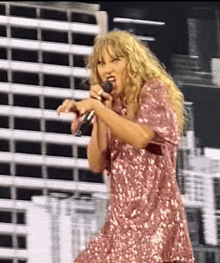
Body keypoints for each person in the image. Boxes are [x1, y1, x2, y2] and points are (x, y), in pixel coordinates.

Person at [56, 30, 195, 263]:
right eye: (101, 63)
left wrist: (99, 109)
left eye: (115, 60)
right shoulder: (111, 110)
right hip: (119, 226)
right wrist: (101, 113)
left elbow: (141, 138)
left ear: (132, 63)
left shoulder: (153, 92)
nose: (107, 69)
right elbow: (96, 163)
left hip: (155, 224)